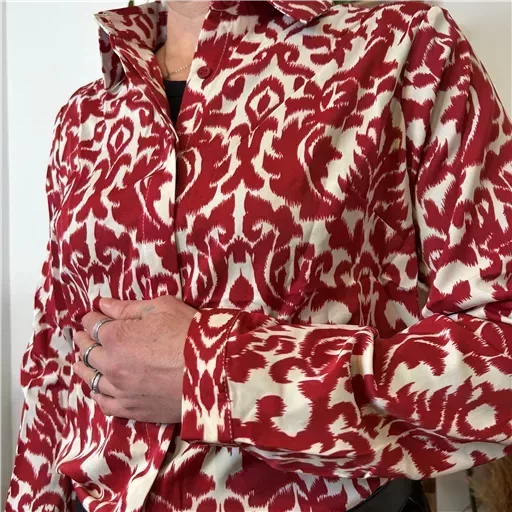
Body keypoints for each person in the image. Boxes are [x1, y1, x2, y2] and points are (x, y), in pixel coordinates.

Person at [6, 0, 512, 510]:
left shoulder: (403, 50)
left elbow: (502, 356)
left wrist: (217, 374)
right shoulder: (85, 117)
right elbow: (55, 358)